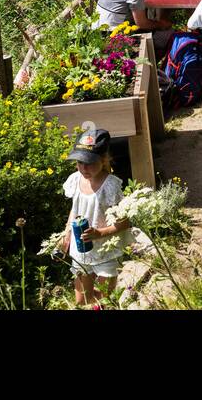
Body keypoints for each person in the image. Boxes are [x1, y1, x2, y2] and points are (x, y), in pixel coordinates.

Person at [55, 128, 132, 306]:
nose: (84, 168)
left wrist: (100, 233)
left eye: (89, 163)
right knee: (82, 300)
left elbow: (124, 222)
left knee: (104, 299)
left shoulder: (110, 186)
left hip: (106, 250)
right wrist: (66, 233)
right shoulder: (75, 180)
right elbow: (75, 209)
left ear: (104, 159)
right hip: (81, 250)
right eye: (79, 162)